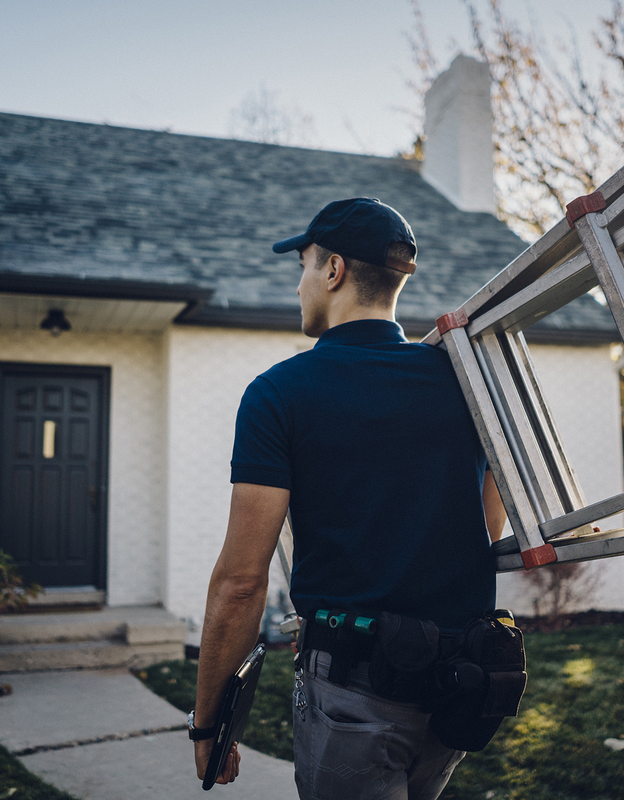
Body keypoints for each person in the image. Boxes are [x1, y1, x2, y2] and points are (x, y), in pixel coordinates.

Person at [190, 197, 505, 799]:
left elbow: (241, 582)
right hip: (458, 688)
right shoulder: (463, 382)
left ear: (333, 271)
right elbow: (489, 523)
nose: (299, 285)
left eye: (304, 267)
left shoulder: (279, 393)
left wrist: (209, 722)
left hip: (352, 699)